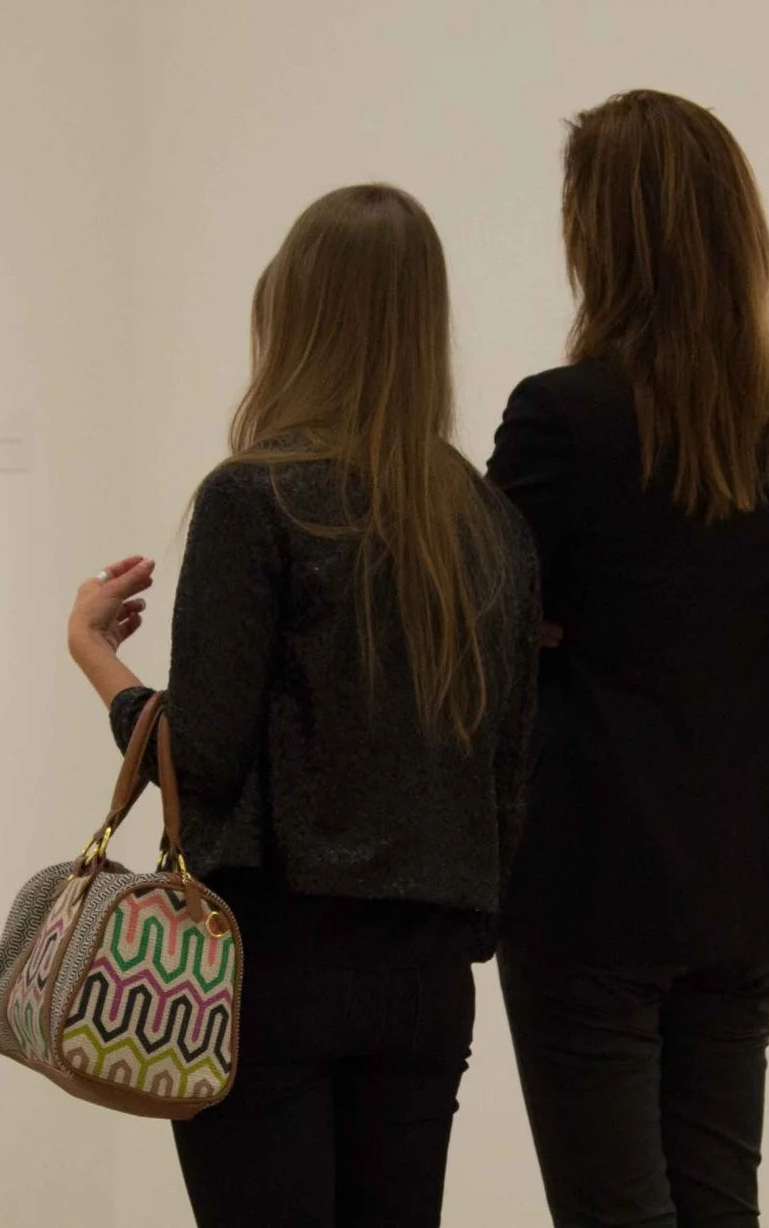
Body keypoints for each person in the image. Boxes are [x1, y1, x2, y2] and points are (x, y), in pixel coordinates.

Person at [65, 183, 541, 1228]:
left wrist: (96, 654)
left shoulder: (255, 497)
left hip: (269, 966)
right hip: (423, 981)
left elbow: (202, 754)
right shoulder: (490, 524)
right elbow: (509, 776)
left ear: (293, 318)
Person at [487, 90, 769, 1228]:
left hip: (595, 874)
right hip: (748, 869)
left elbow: (478, 617)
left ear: (605, 235)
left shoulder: (562, 417)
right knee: (715, 1201)